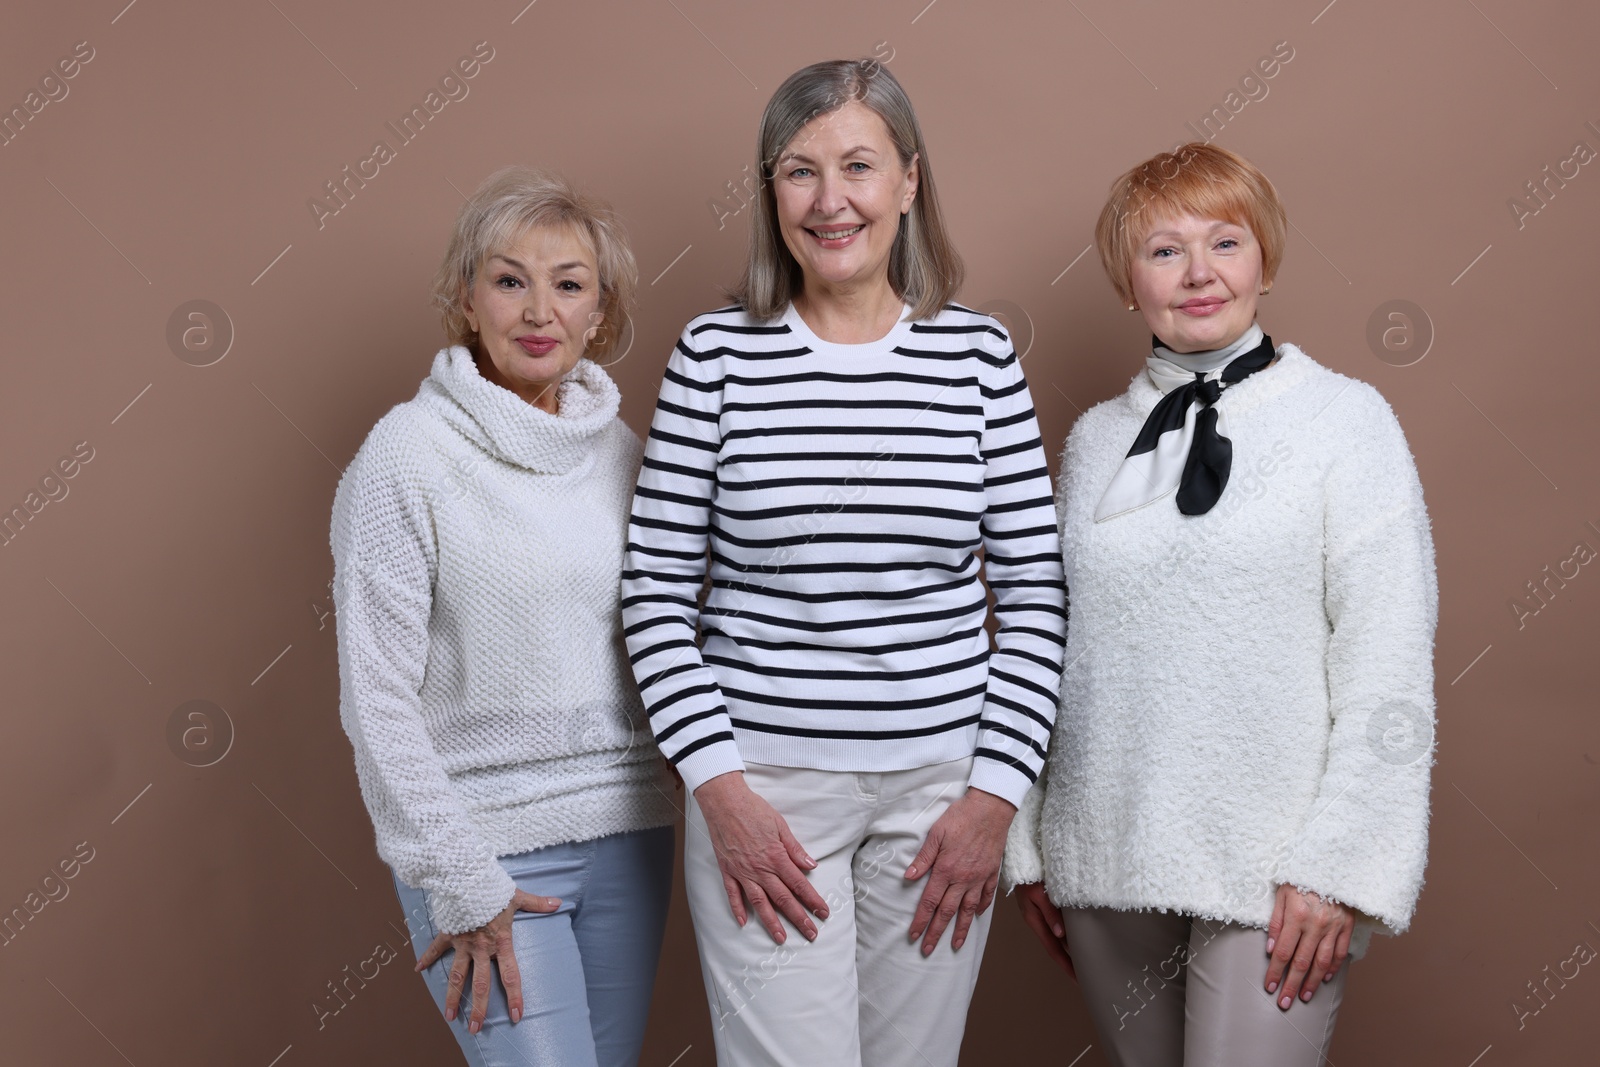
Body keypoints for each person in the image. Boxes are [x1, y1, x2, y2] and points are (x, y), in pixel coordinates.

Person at [620, 59, 1067, 1067]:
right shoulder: (714, 358)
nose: (830, 201)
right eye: (798, 170)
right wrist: (719, 792)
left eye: (858, 166)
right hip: (764, 797)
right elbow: (652, 592)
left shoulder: (980, 360)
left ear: (908, 181)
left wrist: (993, 795)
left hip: (941, 800)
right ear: (769, 190)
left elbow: (1037, 596)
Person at [1003, 142, 1438, 1066]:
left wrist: (1341, 862)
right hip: (1106, 851)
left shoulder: (1345, 421)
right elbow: (1046, 642)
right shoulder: (1092, 445)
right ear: (1129, 281)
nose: (1198, 272)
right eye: (1164, 250)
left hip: (1277, 861)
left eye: (1226, 242)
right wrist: (1028, 837)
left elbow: (1388, 655)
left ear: (1265, 261)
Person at [329, 165, 678, 1067]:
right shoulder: (405, 456)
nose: (538, 310)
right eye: (509, 279)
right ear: (465, 298)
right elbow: (376, 700)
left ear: (600, 314)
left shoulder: (628, 455)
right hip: (485, 851)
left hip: (629, 832)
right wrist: (459, 877)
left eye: (568, 286)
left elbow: (668, 633)